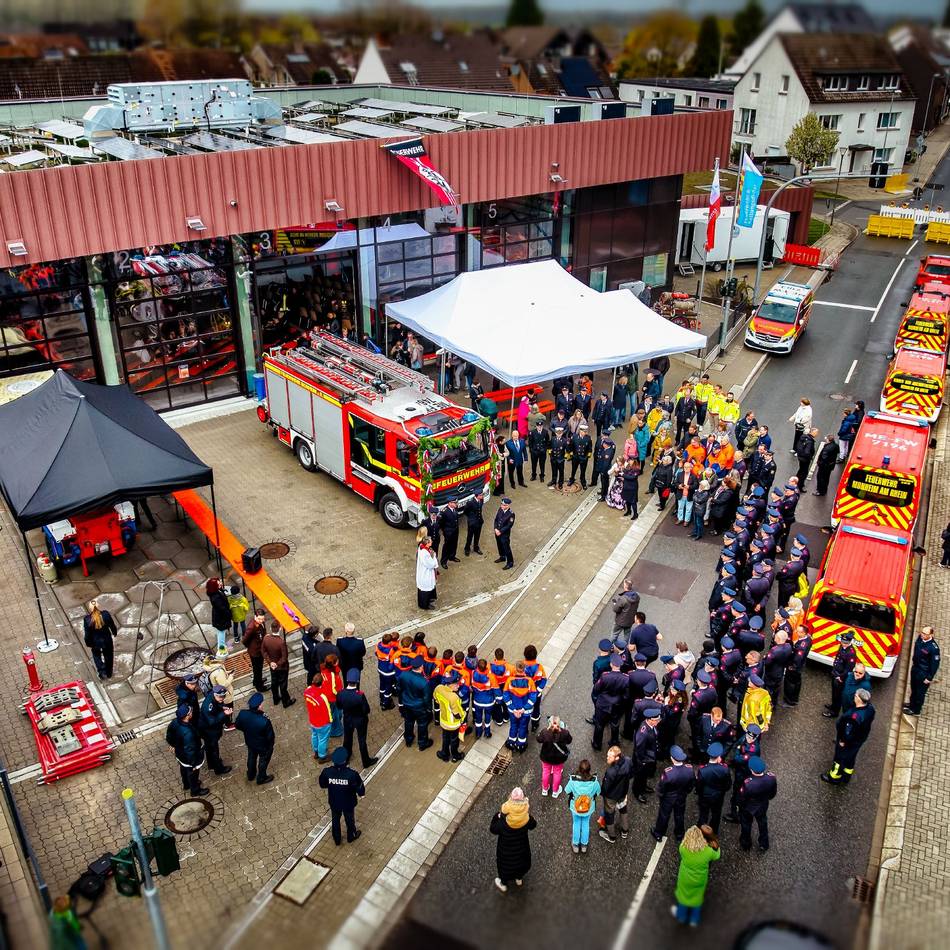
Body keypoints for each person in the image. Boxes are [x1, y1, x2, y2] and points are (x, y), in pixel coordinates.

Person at [822, 689, 875, 785]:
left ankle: (834, 777)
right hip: (858, 740)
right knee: (850, 757)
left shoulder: (855, 717)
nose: (854, 696)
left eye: (856, 695)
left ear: (859, 699)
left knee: (840, 758)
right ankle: (846, 776)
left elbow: (848, 732)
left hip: (849, 741)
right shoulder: (870, 708)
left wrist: (843, 741)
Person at [672, 825, 721, 927]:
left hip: (685, 878)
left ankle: (681, 916)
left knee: (683, 897)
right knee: (697, 898)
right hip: (700, 879)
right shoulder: (708, 852)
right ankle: (694, 920)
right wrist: (715, 843)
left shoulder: (683, 848)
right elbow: (717, 855)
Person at [490, 788, 537, 891]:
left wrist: (496, 817)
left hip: (505, 853)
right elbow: (533, 825)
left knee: (504, 868)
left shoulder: (502, 822)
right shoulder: (527, 818)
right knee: (521, 865)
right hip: (522, 851)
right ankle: (518, 878)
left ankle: (503, 884)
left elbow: (493, 829)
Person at [319, 747, 366, 845]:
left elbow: (322, 784)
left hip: (334, 801)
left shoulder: (327, 772)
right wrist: (361, 794)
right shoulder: (352, 774)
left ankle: (337, 839)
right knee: (349, 820)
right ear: (345, 760)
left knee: (335, 820)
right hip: (348, 803)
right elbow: (359, 787)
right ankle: (351, 836)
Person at [651, 745, 695, 843]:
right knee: (679, 816)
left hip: (668, 798)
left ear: (672, 758)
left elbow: (662, 787)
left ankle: (658, 834)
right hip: (681, 796)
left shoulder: (668, 772)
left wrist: (661, 796)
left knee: (664, 815)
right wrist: (686, 792)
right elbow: (692, 784)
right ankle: (679, 835)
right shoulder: (689, 769)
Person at [337, 669, 378, 769]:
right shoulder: (360, 695)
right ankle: (366, 761)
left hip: (347, 719)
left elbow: (339, 706)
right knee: (362, 741)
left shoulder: (341, 693)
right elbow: (366, 710)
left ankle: (346, 758)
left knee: (347, 739)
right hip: (360, 720)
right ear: (357, 681)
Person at [165, 704, 208, 796]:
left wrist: (172, 744)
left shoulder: (174, 722)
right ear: (188, 715)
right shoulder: (188, 733)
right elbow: (190, 751)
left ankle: (186, 784)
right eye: (191, 711)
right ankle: (195, 790)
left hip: (180, 754)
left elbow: (169, 735)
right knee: (192, 773)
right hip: (188, 758)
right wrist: (194, 764)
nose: (192, 712)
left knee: (183, 768)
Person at [737, 756, 777, 852]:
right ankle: (764, 843)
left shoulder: (748, 783)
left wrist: (740, 806)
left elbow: (742, 798)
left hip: (749, 808)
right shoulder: (771, 778)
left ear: (751, 770)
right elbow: (772, 793)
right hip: (763, 805)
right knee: (762, 824)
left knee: (746, 825)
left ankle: (746, 844)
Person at [235, 692, 276, 785]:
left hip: (250, 742)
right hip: (263, 746)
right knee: (263, 760)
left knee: (251, 757)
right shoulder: (264, 720)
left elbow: (237, 725)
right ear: (259, 705)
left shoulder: (242, 714)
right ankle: (261, 778)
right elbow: (270, 737)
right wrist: (270, 746)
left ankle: (251, 774)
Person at [565, 759, 601, 854]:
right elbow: (598, 792)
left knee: (576, 823)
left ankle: (575, 844)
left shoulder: (573, 780)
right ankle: (584, 845)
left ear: (579, 769)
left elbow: (567, 790)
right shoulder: (594, 782)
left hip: (575, 808)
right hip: (588, 808)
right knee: (585, 823)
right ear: (589, 770)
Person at [397, 656, 433, 750]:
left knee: (408, 722)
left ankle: (408, 740)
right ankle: (422, 743)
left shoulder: (403, 675)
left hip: (406, 704)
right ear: (421, 667)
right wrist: (429, 709)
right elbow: (427, 699)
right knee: (422, 725)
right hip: (419, 707)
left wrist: (401, 703)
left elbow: (399, 689)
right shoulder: (424, 682)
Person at [599, 745, 633, 844]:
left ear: (617, 757)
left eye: (609, 757)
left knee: (609, 815)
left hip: (611, 797)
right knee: (623, 810)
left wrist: (603, 794)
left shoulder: (611, 772)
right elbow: (631, 773)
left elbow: (606, 787)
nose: (607, 758)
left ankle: (612, 836)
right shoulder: (628, 761)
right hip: (622, 793)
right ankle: (625, 831)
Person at [905, 625, 941, 715]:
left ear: (931, 635)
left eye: (925, 634)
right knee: (914, 689)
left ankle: (916, 710)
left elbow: (934, 665)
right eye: (922, 632)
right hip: (915, 669)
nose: (922, 635)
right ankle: (911, 704)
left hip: (923, 673)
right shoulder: (920, 639)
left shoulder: (934, 649)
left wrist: (929, 678)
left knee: (920, 693)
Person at [197, 684, 232, 775]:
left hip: (206, 730)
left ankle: (211, 764)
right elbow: (212, 721)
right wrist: (224, 714)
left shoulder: (212, 696)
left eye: (223, 696)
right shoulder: (208, 706)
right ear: (215, 694)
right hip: (209, 731)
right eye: (220, 697)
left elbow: (217, 704)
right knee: (214, 750)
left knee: (209, 748)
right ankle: (218, 769)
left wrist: (222, 707)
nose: (222, 699)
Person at [696, 743, 731, 833]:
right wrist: (722, 791)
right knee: (716, 814)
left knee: (703, 814)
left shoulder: (702, 770)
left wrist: (700, 794)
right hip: (719, 796)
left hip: (705, 796)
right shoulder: (725, 769)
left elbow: (699, 786)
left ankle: (701, 832)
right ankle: (714, 832)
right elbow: (728, 785)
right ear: (719, 757)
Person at [434, 672, 467, 762]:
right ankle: (455, 755)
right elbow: (457, 714)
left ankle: (444, 755)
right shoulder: (453, 697)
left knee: (445, 738)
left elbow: (436, 700)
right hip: (453, 724)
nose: (458, 686)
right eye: (456, 684)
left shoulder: (438, 688)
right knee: (454, 740)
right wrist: (463, 716)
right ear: (450, 685)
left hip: (443, 720)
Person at [536, 715, 571, 797]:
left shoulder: (545, 732)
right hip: (559, 758)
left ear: (550, 724)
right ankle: (555, 791)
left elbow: (539, 739)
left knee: (546, 771)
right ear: (560, 724)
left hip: (546, 757)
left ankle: (545, 789)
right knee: (557, 773)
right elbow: (569, 741)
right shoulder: (565, 733)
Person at [82, 599, 118, 680]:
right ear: (98, 606)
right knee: (109, 656)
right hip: (107, 640)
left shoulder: (87, 619)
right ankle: (109, 673)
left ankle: (102, 672)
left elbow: (87, 635)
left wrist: (88, 643)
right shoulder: (106, 614)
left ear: (90, 609)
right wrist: (114, 632)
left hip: (95, 642)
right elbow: (112, 625)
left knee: (96, 655)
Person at [825, 629, 857, 717]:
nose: (843, 644)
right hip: (836, 673)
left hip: (840, 677)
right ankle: (833, 706)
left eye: (845, 643)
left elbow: (849, 668)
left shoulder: (851, 653)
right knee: (834, 692)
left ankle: (834, 712)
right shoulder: (842, 646)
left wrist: (841, 677)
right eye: (842, 642)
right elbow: (838, 657)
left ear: (850, 642)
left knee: (838, 695)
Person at [262, 621, 294, 708]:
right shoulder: (281, 642)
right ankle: (286, 702)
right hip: (282, 667)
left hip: (272, 666)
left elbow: (264, 651)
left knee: (274, 682)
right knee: (283, 685)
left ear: (270, 628)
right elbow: (284, 657)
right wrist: (277, 664)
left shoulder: (266, 638)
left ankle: (275, 699)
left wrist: (270, 663)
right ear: (279, 629)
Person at [304, 672, 334, 763]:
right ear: (322, 683)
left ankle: (316, 752)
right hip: (322, 723)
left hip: (313, 720)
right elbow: (328, 711)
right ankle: (322, 756)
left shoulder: (307, 691)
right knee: (323, 739)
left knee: (314, 735)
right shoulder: (322, 697)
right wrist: (330, 720)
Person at [242, 609, 270, 693]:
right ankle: (260, 687)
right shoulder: (252, 627)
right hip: (255, 652)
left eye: (262, 619)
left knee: (257, 669)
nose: (261, 621)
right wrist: (251, 647)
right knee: (258, 669)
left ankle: (256, 681)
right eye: (259, 619)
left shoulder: (261, 622)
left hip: (259, 650)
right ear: (255, 617)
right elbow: (244, 640)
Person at [206, 578, 232, 657]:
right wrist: (229, 614)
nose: (221, 583)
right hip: (221, 619)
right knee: (221, 635)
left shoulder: (215, 592)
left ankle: (221, 649)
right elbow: (222, 609)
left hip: (220, 618)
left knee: (221, 633)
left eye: (219, 581)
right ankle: (221, 651)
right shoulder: (215, 597)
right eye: (218, 583)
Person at [416, 537, 439, 610]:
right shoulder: (424, 553)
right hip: (425, 574)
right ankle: (424, 605)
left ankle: (430, 599)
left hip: (424, 572)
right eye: (430, 541)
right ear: (427, 543)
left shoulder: (422, 547)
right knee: (425, 590)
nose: (432, 542)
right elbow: (431, 564)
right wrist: (433, 556)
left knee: (428, 588)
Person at [569, 422, 593, 489]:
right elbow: (570, 446)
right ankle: (572, 479)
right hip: (575, 457)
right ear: (580, 431)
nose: (584, 433)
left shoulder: (588, 438)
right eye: (583, 431)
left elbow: (590, 448)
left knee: (583, 471)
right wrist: (572, 454)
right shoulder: (574, 437)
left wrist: (587, 457)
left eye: (585, 432)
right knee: (573, 469)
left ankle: (583, 481)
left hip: (583, 458)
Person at [494, 497, 515, 570]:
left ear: (508, 505)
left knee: (507, 548)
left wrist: (500, 531)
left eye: (504, 505)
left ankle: (510, 562)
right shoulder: (500, 509)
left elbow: (509, 525)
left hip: (504, 534)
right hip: (497, 532)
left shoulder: (511, 514)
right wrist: (495, 528)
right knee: (499, 545)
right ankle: (502, 557)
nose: (502, 506)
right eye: (501, 504)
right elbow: (496, 520)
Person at [439, 500, 461, 568]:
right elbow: (441, 523)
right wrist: (445, 531)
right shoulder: (444, 512)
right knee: (447, 546)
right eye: (455, 503)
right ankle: (443, 561)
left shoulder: (455, 508)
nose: (456, 504)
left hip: (455, 530)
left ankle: (452, 556)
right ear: (450, 503)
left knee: (454, 544)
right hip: (448, 531)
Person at [462, 491, 485, 556]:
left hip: (479, 521)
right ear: (477, 496)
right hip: (472, 523)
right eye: (481, 495)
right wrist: (471, 518)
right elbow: (465, 511)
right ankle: (467, 548)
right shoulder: (470, 503)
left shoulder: (481, 500)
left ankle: (476, 548)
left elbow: (480, 510)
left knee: (477, 536)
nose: (482, 496)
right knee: (470, 536)